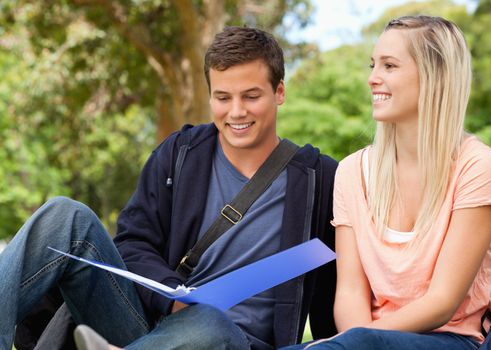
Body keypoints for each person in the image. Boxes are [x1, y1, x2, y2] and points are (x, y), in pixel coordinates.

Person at [0, 26, 338, 350]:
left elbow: (344, 286)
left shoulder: (320, 179)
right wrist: (173, 296)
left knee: (210, 323)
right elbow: (132, 244)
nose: (236, 111)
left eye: (251, 96)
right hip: (150, 325)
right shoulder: (180, 152)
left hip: (232, 342)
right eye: (223, 97)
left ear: (279, 92)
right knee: (64, 216)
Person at [282, 15, 491, 350]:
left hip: (451, 339)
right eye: (373, 65)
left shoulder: (477, 166)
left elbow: (443, 302)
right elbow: (349, 291)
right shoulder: (351, 172)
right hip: (362, 339)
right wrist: (357, 340)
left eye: (389, 66)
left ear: (436, 76)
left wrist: (360, 340)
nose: (373, 78)